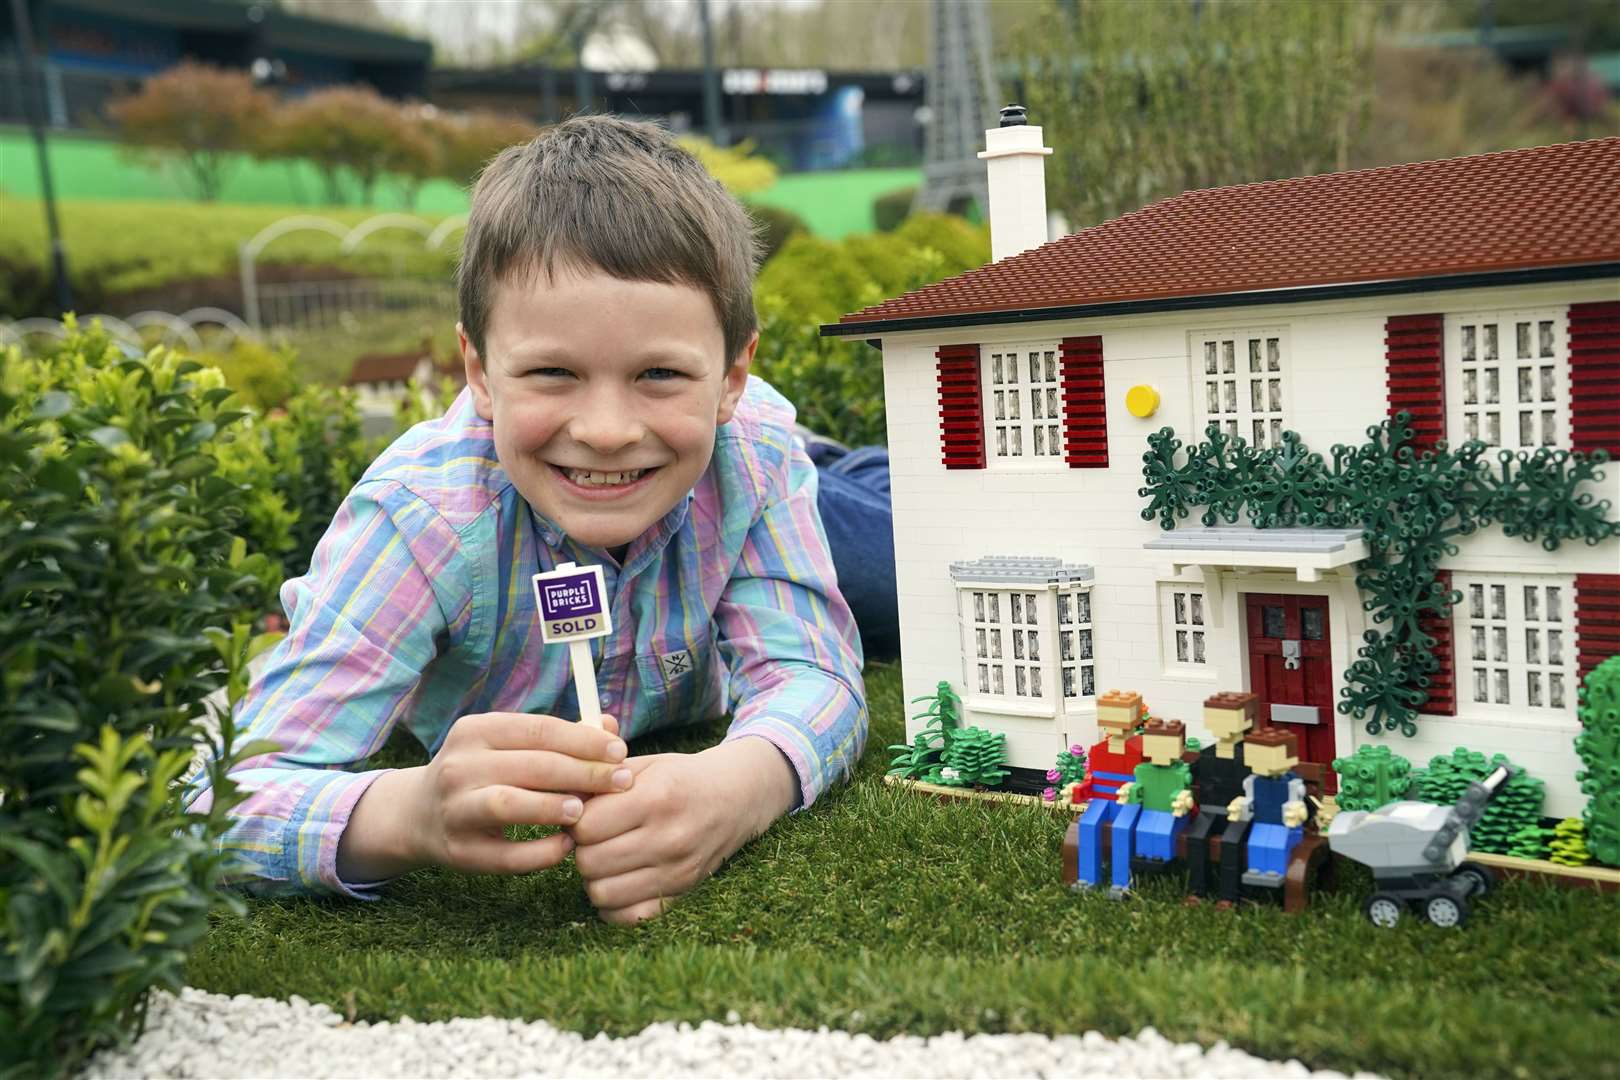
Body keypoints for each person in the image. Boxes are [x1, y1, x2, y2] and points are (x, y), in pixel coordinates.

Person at [186, 115, 875, 924]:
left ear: (731, 377)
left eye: (659, 373)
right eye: (553, 372)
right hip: (677, 463)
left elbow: (816, 675)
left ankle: (851, 463)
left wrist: (740, 785)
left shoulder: (751, 452)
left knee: (910, 565)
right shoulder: (420, 519)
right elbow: (212, 799)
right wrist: (403, 814)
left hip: (752, 469)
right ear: (479, 372)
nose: (607, 428)